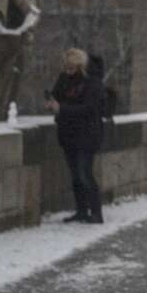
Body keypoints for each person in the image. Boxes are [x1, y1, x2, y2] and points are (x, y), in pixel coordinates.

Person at [46, 48, 106, 223]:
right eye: (66, 66)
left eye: (72, 67)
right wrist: (51, 102)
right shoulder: (64, 78)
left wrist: (61, 108)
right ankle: (81, 210)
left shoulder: (92, 82)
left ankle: (96, 213)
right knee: (75, 176)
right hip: (68, 134)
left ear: (80, 66)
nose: (68, 70)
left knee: (84, 173)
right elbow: (57, 95)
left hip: (88, 135)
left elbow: (89, 108)